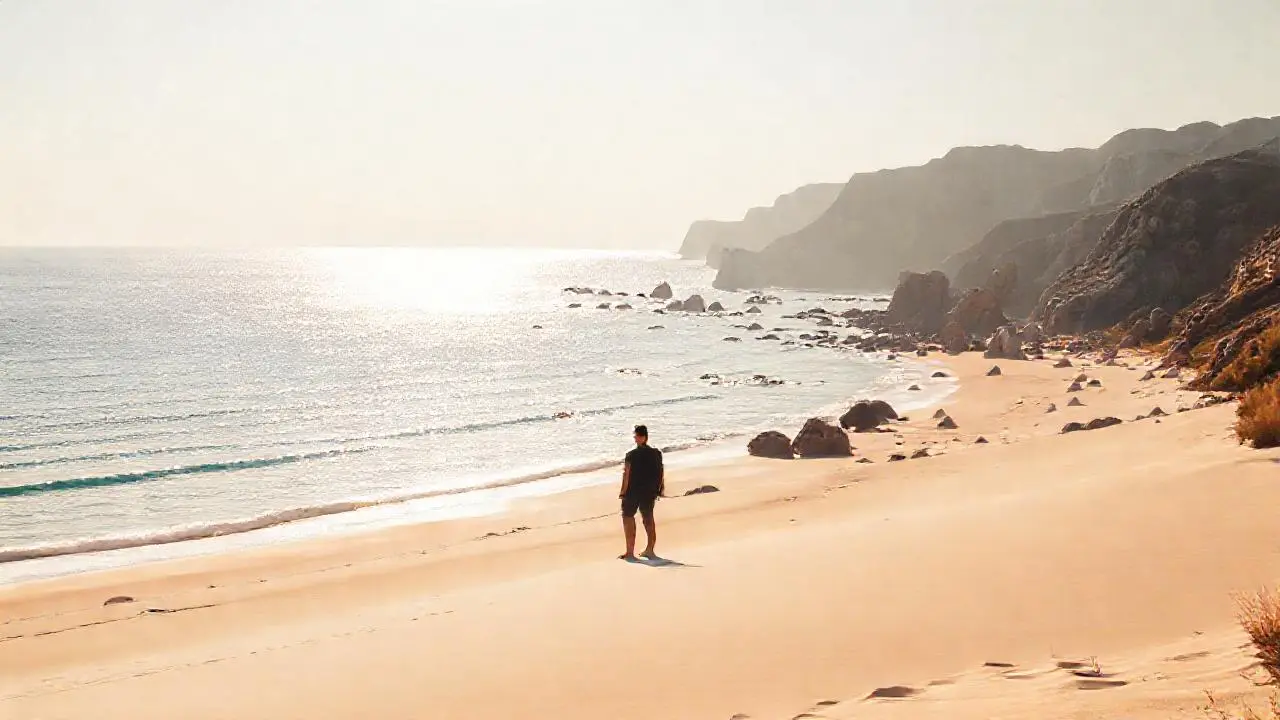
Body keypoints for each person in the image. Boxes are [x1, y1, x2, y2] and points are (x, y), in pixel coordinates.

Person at [619, 424, 664, 561]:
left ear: (643, 437)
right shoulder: (656, 453)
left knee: (628, 517)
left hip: (633, 491)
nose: (636, 438)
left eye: (637, 436)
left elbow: (626, 475)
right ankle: (649, 550)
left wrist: (622, 492)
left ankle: (630, 552)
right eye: (635, 436)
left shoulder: (631, 455)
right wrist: (660, 488)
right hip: (649, 491)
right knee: (648, 519)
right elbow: (661, 472)